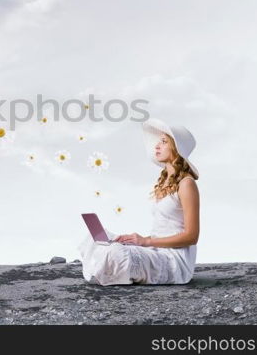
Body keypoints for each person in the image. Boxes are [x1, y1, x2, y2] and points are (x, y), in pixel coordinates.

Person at [77, 118, 200, 285]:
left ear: (177, 148)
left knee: (116, 254)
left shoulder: (187, 184)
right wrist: (136, 240)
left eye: (164, 142)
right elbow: (164, 230)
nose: (157, 146)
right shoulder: (165, 182)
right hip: (156, 249)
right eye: (158, 142)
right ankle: (112, 266)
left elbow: (191, 236)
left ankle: (112, 270)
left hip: (174, 260)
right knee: (100, 239)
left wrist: (146, 242)